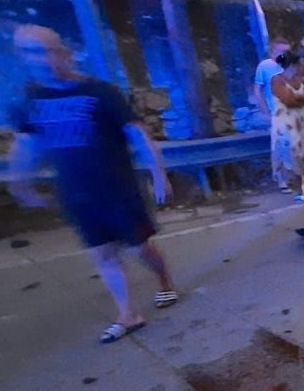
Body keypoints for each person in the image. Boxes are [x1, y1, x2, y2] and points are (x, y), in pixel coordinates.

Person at [9, 25, 178, 344]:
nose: (40, 60)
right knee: (103, 255)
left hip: (119, 191)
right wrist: (20, 182)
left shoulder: (101, 93)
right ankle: (128, 314)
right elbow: (25, 144)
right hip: (77, 195)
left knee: (140, 248)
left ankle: (165, 280)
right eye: (29, 52)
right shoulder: (29, 99)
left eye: (45, 50)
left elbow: (137, 134)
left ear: (65, 54)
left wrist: (158, 174)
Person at [270, 52, 304, 201]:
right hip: (287, 125)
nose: (301, 67)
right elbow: (288, 100)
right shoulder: (277, 80)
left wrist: (299, 97)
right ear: (292, 65)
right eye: (299, 64)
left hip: (303, 123)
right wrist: (303, 98)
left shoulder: (302, 80)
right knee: (294, 156)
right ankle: (299, 190)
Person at [254, 37, 293, 192]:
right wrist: (266, 112)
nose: (284, 54)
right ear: (273, 51)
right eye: (281, 51)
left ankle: (291, 176)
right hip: (276, 112)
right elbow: (258, 90)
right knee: (280, 147)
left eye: (287, 51)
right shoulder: (265, 66)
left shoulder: (288, 66)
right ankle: (282, 180)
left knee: (292, 146)